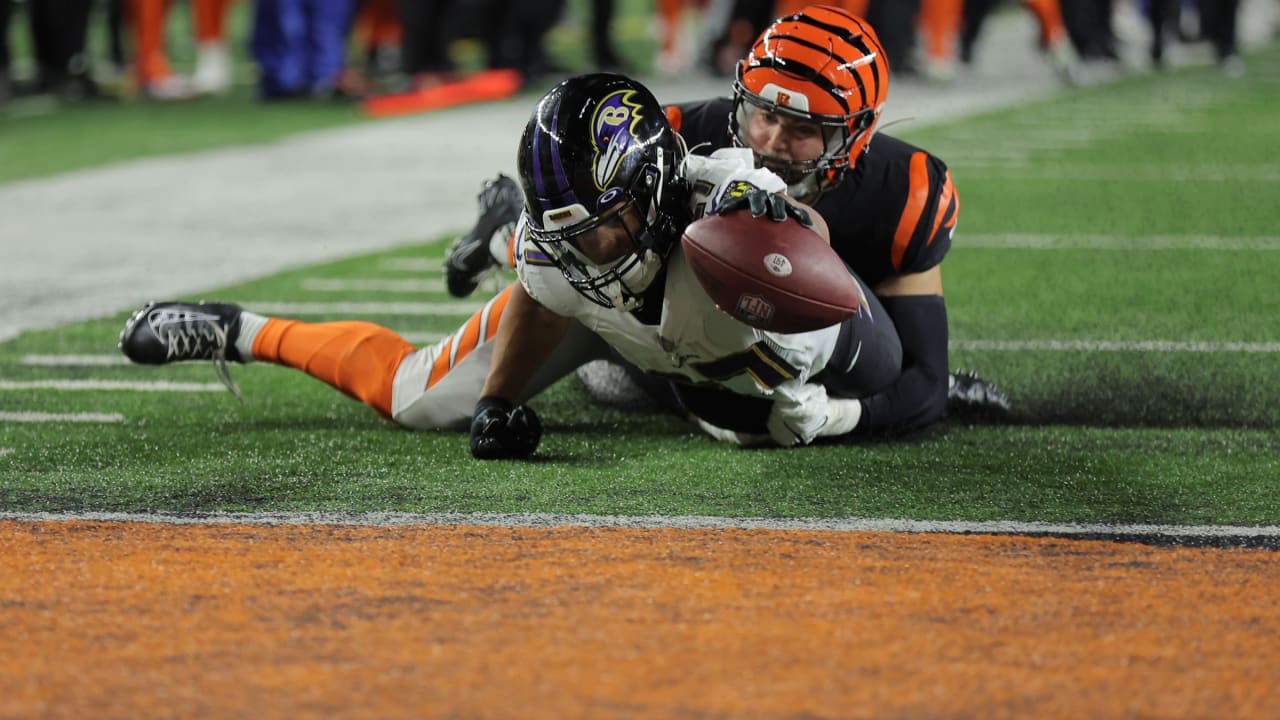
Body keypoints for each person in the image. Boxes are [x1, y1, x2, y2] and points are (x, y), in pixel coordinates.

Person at [116, 72, 902, 461]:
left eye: (608, 225)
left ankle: (499, 229)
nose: (591, 248)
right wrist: (496, 402)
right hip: (617, 322)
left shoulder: (733, 218)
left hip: (692, 321)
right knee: (417, 398)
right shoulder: (567, 248)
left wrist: (836, 414)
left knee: (740, 421)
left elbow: (863, 335)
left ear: (657, 191)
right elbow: (550, 279)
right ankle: (240, 330)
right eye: (569, 231)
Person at [445, 5, 1009, 440]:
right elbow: (596, 236)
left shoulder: (906, 191)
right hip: (665, 327)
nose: (770, 142)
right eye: (764, 114)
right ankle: (507, 228)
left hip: (787, 347)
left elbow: (925, 381)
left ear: (856, 135)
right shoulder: (681, 136)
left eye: (802, 128)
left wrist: (844, 416)